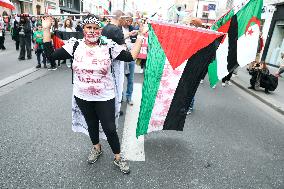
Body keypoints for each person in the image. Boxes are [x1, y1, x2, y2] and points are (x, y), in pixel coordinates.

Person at [42, 14, 147, 174]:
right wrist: (45, 29)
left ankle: (118, 157)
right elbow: (50, 56)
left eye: (95, 28)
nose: (92, 31)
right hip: (82, 96)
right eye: (88, 28)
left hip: (105, 96)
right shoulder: (75, 45)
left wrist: (141, 35)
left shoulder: (109, 46)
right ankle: (96, 148)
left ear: (100, 30)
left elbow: (130, 57)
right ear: (83, 29)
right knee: (91, 124)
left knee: (110, 128)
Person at [102, 10, 127, 119]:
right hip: (116, 62)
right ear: (120, 17)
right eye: (124, 18)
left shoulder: (105, 28)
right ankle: (115, 110)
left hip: (104, 60)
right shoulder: (117, 30)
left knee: (107, 86)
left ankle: (107, 110)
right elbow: (123, 49)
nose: (125, 21)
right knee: (117, 86)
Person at [122, 12, 139, 105]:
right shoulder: (118, 28)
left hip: (131, 56)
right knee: (120, 78)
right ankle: (120, 97)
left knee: (131, 79)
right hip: (120, 57)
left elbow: (137, 40)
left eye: (131, 20)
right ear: (123, 19)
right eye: (127, 19)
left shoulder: (133, 28)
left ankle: (129, 97)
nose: (129, 21)